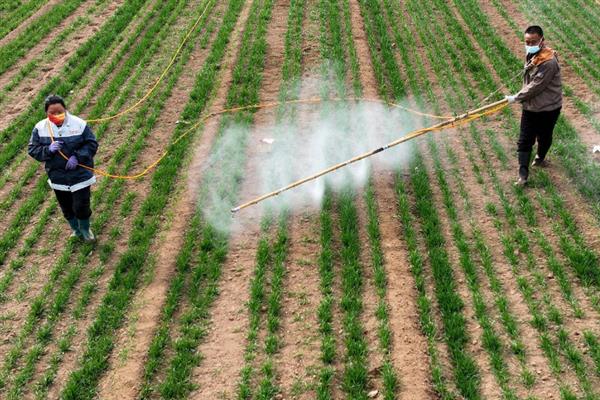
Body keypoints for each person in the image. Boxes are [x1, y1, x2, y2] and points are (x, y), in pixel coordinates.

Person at [28, 95, 98, 242]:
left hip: (80, 174)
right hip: (57, 176)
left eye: (59, 111)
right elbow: (33, 149)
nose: (56, 115)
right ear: (46, 113)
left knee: (81, 206)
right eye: (51, 113)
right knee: (66, 208)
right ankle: (75, 229)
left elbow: (91, 144)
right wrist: (48, 150)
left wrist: (77, 157)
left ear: (65, 109)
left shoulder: (79, 124)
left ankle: (85, 230)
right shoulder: (40, 128)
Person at [506, 25, 562, 187]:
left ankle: (540, 158)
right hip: (530, 107)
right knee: (524, 140)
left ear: (542, 41)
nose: (529, 45)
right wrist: (521, 98)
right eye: (527, 42)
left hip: (548, 108)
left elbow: (536, 86)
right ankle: (523, 176)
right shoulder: (533, 54)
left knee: (544, 136)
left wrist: (516, 97)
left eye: (533, 42)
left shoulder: (548, 62)